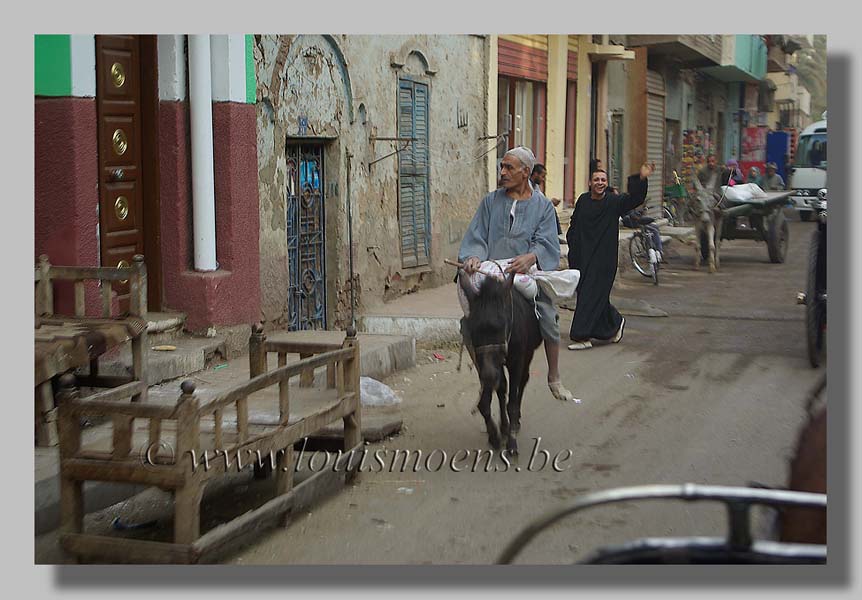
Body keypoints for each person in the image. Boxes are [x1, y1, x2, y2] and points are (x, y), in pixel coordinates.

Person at [459, 146, 574, 402]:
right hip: (491, 274)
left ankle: (554, 377)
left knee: (548, 317)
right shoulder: (490, 202)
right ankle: (484, 376)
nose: (503, 172)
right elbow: (476, 235)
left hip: (526, 274)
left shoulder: (543, 206)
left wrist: (531, 257)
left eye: (509, 167)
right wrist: (474, 256)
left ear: (526, 172)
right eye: (502, 166)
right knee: (469, 325)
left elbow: (546, 242)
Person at [566, 162, 654, 350]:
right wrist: (572, 242)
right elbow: (574, 224)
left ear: (607, 183)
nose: (600, 183)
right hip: (583, 257)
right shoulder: (583, 200)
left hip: (603, 259)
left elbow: (634, 199)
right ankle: (615, 322)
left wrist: (641, 178)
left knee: (591, 294)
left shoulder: (614, 202)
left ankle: (582, 336)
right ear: (590, 183)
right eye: (596, 179)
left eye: (603, 180)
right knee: (590, 294)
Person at [530, 163, 563, 235]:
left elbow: (542, 199)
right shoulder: (527, 185)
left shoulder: (535, 186)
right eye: (542, 176)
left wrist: (550, 202)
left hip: (536, 209)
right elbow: (533, 201)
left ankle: (554, 234)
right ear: (535, 174)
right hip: (529, 210)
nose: (543, 179)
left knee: (550, 207)